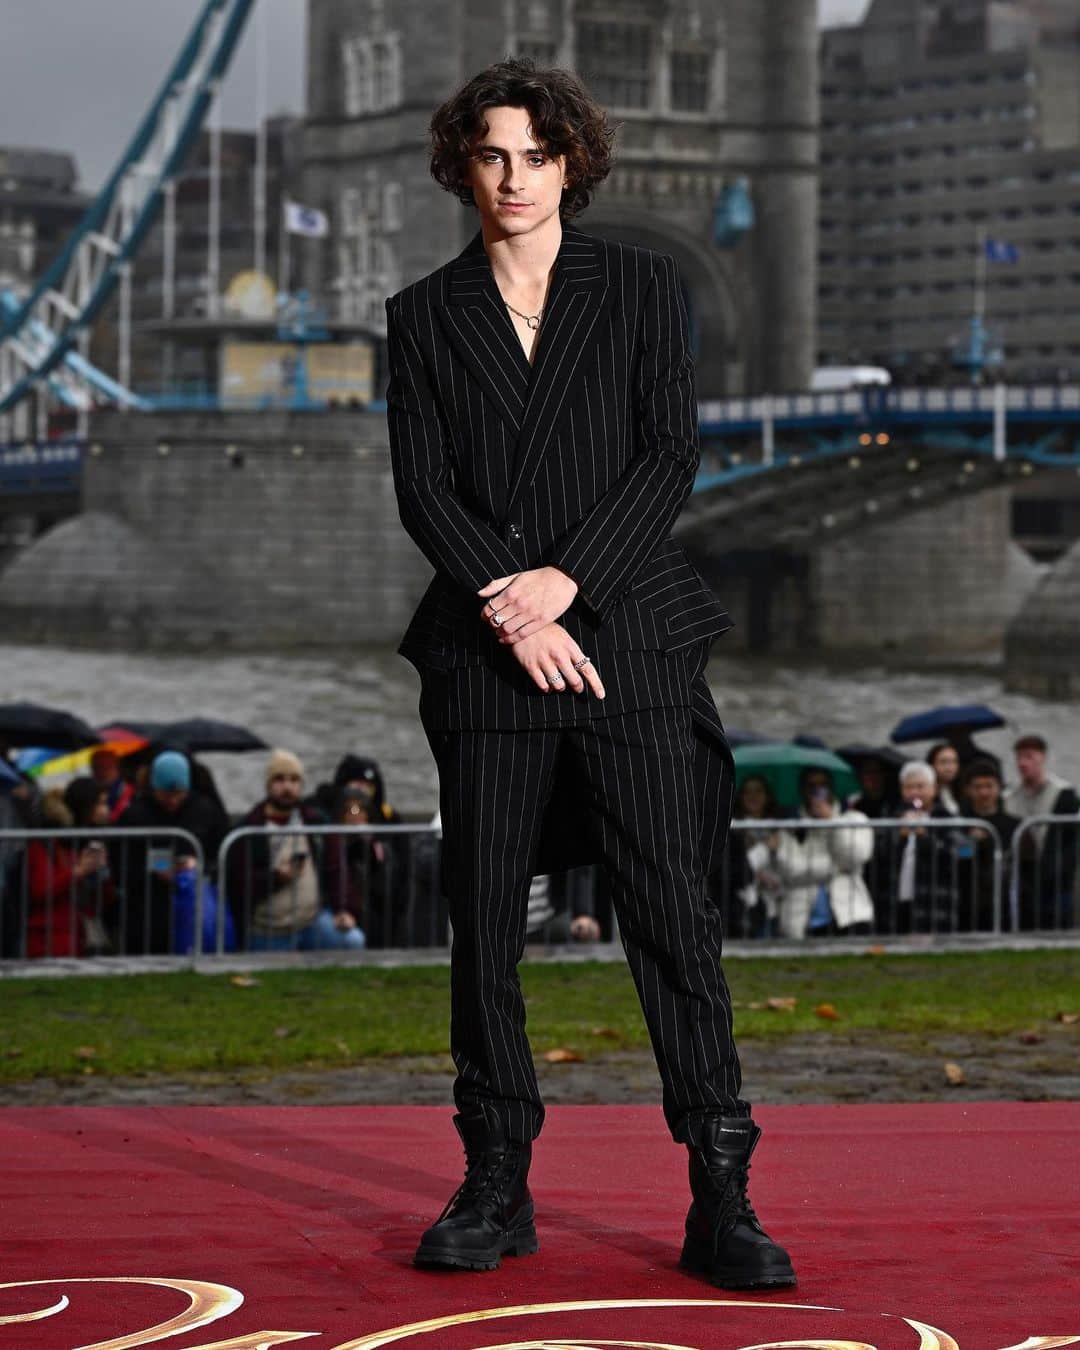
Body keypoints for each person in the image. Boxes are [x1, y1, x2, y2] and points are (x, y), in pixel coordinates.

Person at [385, 58, 794, 1288]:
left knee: (674, 921)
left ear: (574, 163)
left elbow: (670, 456)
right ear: (463, 163)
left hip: (631, 643)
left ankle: (721, 1193)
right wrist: (516, 613)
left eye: (537, 155)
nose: (513, 179)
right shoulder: (420, 314)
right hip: (488, 654)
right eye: (492, 154)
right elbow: (423, 491)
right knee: (486, 938)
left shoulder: (640, 288)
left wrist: (569, 586)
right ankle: (495, 1183)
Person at [228, 749, 365, 952]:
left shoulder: (316, 822)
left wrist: (344, 909)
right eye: (280, 779)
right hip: (268, 930)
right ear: (269, 785)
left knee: (353, 941)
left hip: (312, 922)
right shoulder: (249, 829)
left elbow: (335, 870)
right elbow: (238, 884)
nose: (287, 787)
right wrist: (276, 878)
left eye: (294, 780)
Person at [116, 750, 230, 954]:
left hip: (194, 903)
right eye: (166, 794)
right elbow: (120, 863)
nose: (173, 800)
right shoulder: (135, 814)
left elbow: (223, 852)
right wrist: (152, 872)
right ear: (154, 788)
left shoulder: (204, 810)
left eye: (179, 794)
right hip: (147, 910)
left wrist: (200, 867)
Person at [747, 769, 874, 939]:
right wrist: (835, 868)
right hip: (800, 919)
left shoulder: (854, 819)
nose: (817, 791)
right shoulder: (791, 828)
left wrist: (831, 822)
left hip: (849, 913)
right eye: (811, 786)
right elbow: (791, 872)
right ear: (802, 791)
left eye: (822, 785)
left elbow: (854, 858)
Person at [24, 785, 113, 959]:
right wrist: (79, 871)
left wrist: (101, 873)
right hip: (47, 936)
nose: (105, 810)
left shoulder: (83, 843)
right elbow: (42, 888)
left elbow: (104, 898)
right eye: (100, 803)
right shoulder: (44, 844)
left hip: (76, 933)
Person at [1003, 734, 1080, 930]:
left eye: (1029, 757)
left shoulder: (1064, 794)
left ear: (1042, 757)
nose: (1022, 763)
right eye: (1019, 757)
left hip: (1055, 876)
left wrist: (1060, 868)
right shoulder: (1009, 796)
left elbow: (1072, 838)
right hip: (1021, 875)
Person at [888, 762, 960, 934]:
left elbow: (960, 853)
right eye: (909, 787)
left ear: (933, 789)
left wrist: (925, 838)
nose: (914, 793)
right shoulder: (894, 816)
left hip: (934, 898)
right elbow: (881, 853)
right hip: (899, 897)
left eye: (920, 786)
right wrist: (899, 837)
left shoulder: (946, 817)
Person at [959, 758, 1019, 931]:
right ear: (968, 790)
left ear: (999, 788)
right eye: (978, 787)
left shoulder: (1014, 825)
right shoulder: (961, 823)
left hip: (1002, 897)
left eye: (989, 786)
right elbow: (960, 856)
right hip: (968, 897)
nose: (984, 792)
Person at [729, 775, 786, 938]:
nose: (753, 796)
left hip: (778, 899)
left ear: (767, 796)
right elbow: (737, 868)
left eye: (758, 791)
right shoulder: (733, 828)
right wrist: (764, 848)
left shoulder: (779, 826)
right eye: (748, 792)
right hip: (746, 902)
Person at [90, 748, 135, 823]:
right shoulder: (88, 791)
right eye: (97, 767)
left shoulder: (129, 792)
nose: (101, 772)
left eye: (106, 767)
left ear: (117, 767)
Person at [926, 743, 962, 816]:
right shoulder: (926, 793)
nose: (949, 767)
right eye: (943, 762)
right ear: (932, 764)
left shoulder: (962, 790)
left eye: (954, 762)